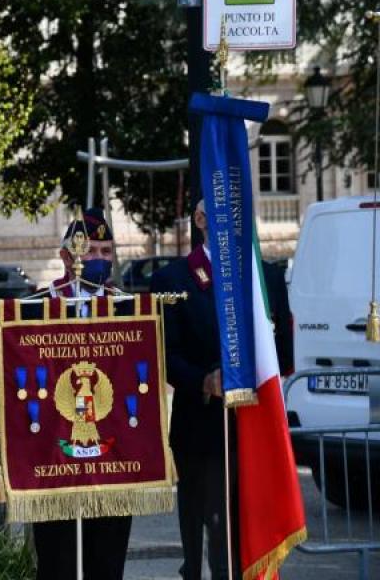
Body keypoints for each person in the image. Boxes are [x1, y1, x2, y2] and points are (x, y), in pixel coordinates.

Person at [150, 199, 293, 580]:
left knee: (254, 536)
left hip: (257, 428)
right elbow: (165, 354)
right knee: (210, 543)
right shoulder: (174, 280)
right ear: (201, 219)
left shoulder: (266, 278)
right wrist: (203, 379)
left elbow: (285, 354)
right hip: (202, 431)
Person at [31, 207, 133, 580]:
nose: (100, 260)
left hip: (113, 456)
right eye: (90, 251)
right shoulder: (37, 306)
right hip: (54, 458)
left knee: (107, 563)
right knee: (58, 562)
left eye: (107, 252)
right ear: (66, 256)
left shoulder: (129, 307)